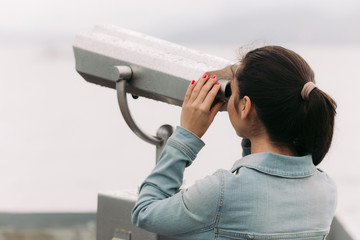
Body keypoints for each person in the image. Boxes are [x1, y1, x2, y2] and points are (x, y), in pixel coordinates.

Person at [131, 46, 337, 240]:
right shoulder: (325, 188)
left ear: (245, 106)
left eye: (233, 94)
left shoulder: (222, 192)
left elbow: (144, 212)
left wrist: (187, 134)